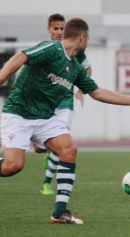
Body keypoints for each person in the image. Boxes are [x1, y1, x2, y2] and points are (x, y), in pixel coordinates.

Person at [0, 18, 130, 224]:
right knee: (13, 166)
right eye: (88, 38)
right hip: (18, 113)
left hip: (46, 118)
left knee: (69, 150)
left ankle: (59, 212)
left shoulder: (75, 67)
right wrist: (1, 78)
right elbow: (21, 56)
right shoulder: (52, 49)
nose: (87, 42)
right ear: (82, 37)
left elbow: (97, 92)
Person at [36, 13, 94, 196]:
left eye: (62, 28)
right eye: (56, 28)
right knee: (39, 148)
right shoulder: (48, 50)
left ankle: (46, 183)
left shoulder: (77, 51)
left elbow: (88, 69)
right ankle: (46, 148)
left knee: (63, 143)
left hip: (65, 103)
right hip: (45, 103)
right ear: (49, 29)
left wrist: (80, 89)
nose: (59, 32)